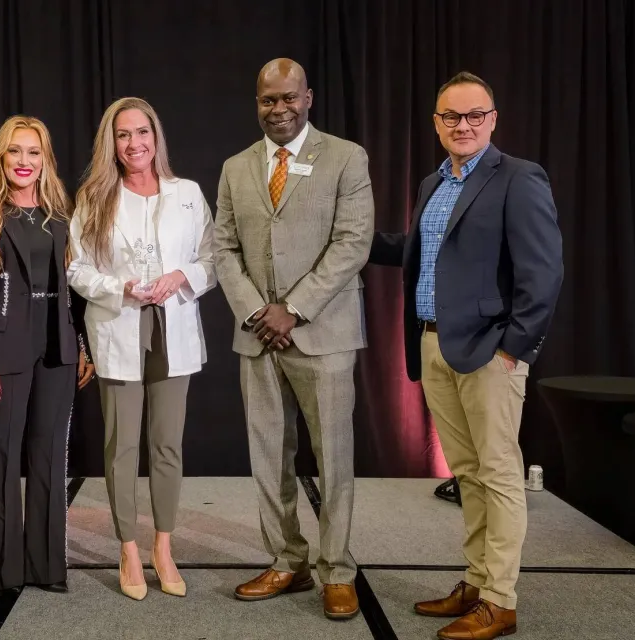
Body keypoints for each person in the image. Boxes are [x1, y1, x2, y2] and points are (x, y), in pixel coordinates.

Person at [369, 71, 563, 640]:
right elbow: (420, 252)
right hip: (435, 343)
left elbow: (543, 273)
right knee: (470, 474)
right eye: (451, 117)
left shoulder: (520, 179)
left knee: (499, 475)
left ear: (493, 119)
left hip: (490, 353)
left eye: (475, 115)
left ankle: (501, 600)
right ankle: (478, 582)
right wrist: (354, 239)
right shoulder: (434, 183)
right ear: (436, 123)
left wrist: (513, 350)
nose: (463, 125)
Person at [214, 58, 374, 620]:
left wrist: (296, 309)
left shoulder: (346, 157)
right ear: (256, 103)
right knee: (268, 460)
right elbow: (224, 248)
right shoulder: (236, 168)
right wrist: (261, 312)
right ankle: (287, 559)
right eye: (267, 100)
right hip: (259, 337)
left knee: (333, 459)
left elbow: (353, 243)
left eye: (288, 98)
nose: (278, 109)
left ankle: (338, 570)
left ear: (308, 98)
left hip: (323, 335)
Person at [67, 97, 216, 601]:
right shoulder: (93, 197)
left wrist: (181, 276)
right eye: (123, 135)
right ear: (112, 143)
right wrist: (120, 288)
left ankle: (163, 546)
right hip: (120, 326)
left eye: (142, 132)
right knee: (122, 447)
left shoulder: (188, 193)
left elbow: (213, 258)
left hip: (172, 329)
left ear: (156, 136)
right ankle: (128, 547)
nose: (134, 143)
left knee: (167, 445)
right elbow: (76, 269)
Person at [0, 115, 95, 593]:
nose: (24, 161)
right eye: (15, 151)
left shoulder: (62, 216)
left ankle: (46, 567)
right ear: (2, 157)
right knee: (1, 454)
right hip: (5, 348)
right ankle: (2, 570)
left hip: (57, 347)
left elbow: (77, 291)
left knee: (49, 457)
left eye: (33, 152)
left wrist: (83, 345)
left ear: (45, 160)